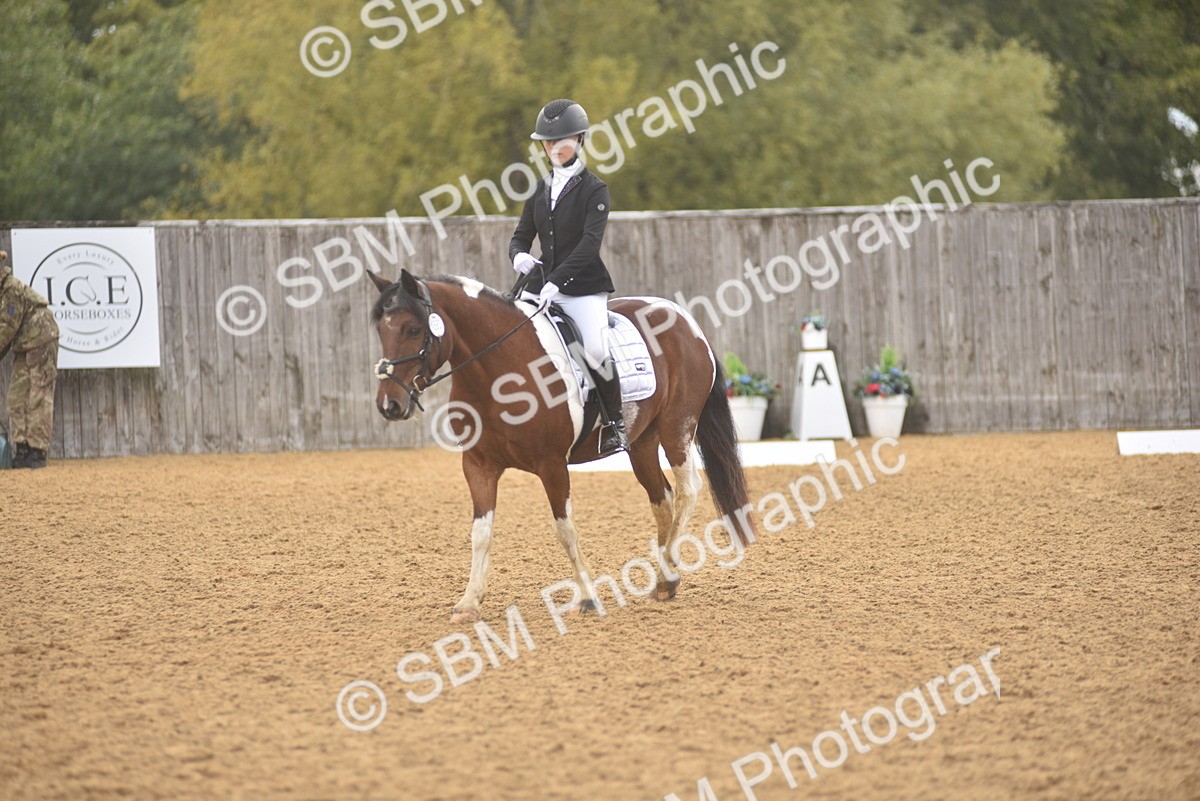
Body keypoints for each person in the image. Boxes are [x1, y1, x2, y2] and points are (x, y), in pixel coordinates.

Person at [508, 98, 629, 455]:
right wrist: (518, 257)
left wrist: (556, 281)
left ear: (579, 140)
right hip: (541, 283)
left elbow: (590, 244)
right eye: (547, 142)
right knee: (511, 334)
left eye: (560, 141)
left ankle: (615, 424)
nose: (553, 148)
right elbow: (521, 234)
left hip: (583, 287)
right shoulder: (539, 189)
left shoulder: (595, 189)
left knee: (592, 347)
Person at [0, 249, 60, 468]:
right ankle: (22, 447)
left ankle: (37, 451)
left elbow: (7, 326)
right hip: (24, 345)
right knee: (16, 396)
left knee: (39, 394)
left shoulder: (11, 288)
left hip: (41, 338)